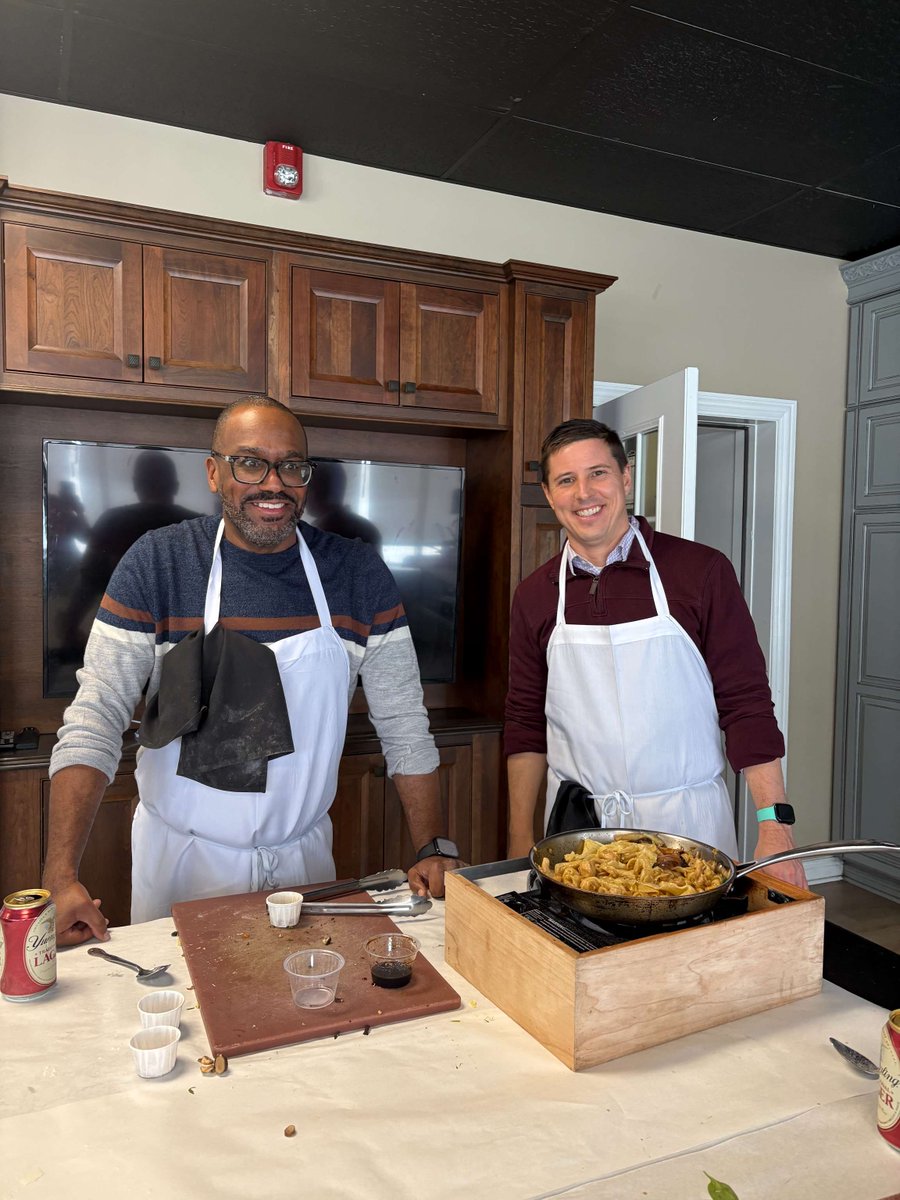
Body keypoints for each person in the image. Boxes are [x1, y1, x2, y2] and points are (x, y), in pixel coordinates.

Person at [44, 396, 462, 945]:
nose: (274, 483)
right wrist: (59, 876)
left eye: (291, 466)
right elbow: (96, 715)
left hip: (304, 865)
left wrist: (432, 845)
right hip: (183, 864)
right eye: (249, 463)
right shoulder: (159, 563)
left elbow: (405, 724)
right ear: (214, 473)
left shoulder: (356, 575)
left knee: (307, 1004)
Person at [505, 418, 805, 888]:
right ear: (549, 493)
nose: (584, 493)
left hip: (690, 829)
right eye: (567, 480)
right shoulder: (534, 596)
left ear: (626, 478)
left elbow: (745, 703)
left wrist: (774, 827)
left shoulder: (700, 572)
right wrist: (518, 842)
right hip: (580, 841)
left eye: (598, 473)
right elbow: (525, 724)